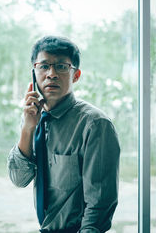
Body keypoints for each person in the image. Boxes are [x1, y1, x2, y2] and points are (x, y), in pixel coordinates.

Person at [7, 35, 120, 233]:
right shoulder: (34, 118)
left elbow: (99, 206)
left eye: (61, 67)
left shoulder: (95, 125)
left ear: (75, 75)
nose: (51, 74)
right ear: (34, 73)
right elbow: (19, 179)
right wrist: (27, 128)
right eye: (43, 66)